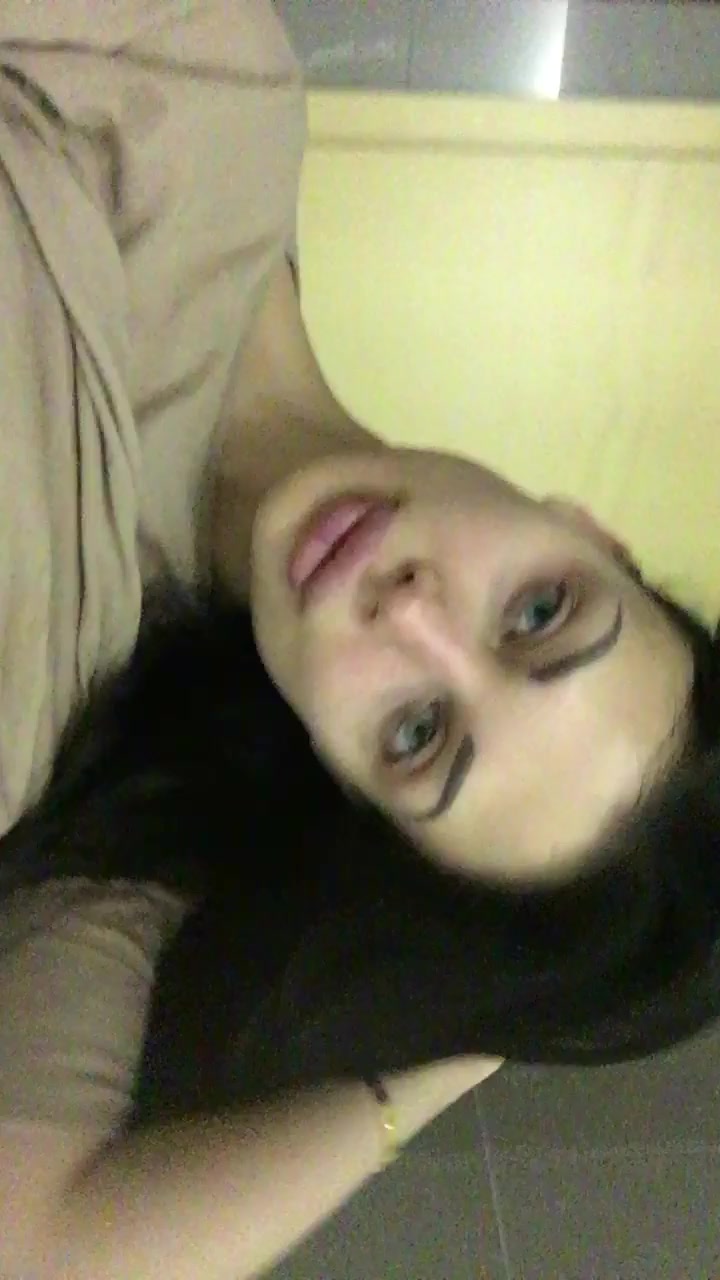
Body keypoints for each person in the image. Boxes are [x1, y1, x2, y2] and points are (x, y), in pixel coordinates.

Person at [0, 3, 718, 1279]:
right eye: (538, 612)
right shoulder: (246, 114)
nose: (410, 612)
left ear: (345, 784)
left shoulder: (55, 673)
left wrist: (451, 1050)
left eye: (418, 732)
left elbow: (36, 1246)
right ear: (587, 528)